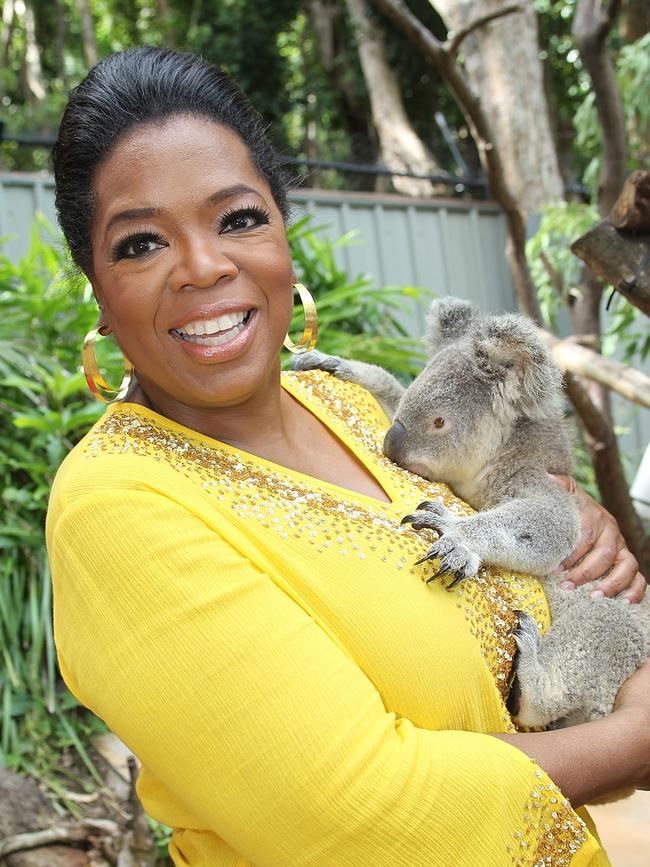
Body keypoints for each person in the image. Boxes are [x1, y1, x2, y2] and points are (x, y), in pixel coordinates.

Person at [46, 46, 649, 867]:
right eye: (142, 243)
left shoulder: (350, 406)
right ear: (98, 290)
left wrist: (576, 525)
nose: (203, 266)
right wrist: (634, 741)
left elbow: (534, 567)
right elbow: (364, 816)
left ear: (284, 237)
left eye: (239, 218)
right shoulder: (116, 508)